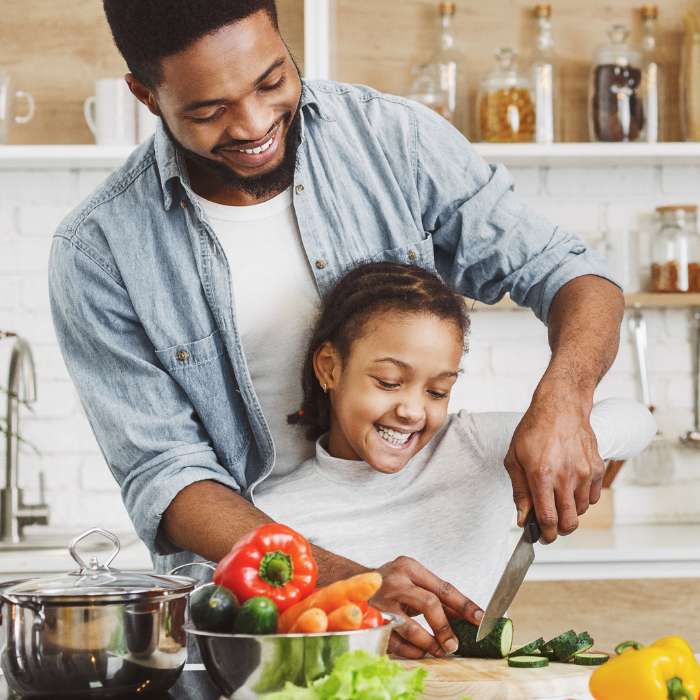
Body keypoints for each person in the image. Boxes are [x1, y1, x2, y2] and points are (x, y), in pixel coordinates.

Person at [49, 0, 624, 657]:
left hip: (422, 589)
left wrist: (565, 402)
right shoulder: (100, 252)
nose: (256, 124)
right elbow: (166, 475)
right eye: (210, 111)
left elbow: (572, 274)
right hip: (256, 617)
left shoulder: (391, 140)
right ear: (145, 95)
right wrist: (344, 582)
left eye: (272, 82)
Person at [254, 261, 655, 658]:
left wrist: (559, 435)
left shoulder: (475, 446)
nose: (413, 410)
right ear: (330, 368)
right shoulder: (274, 515)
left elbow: (638, 421)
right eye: (389, 382)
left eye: (437, 391)